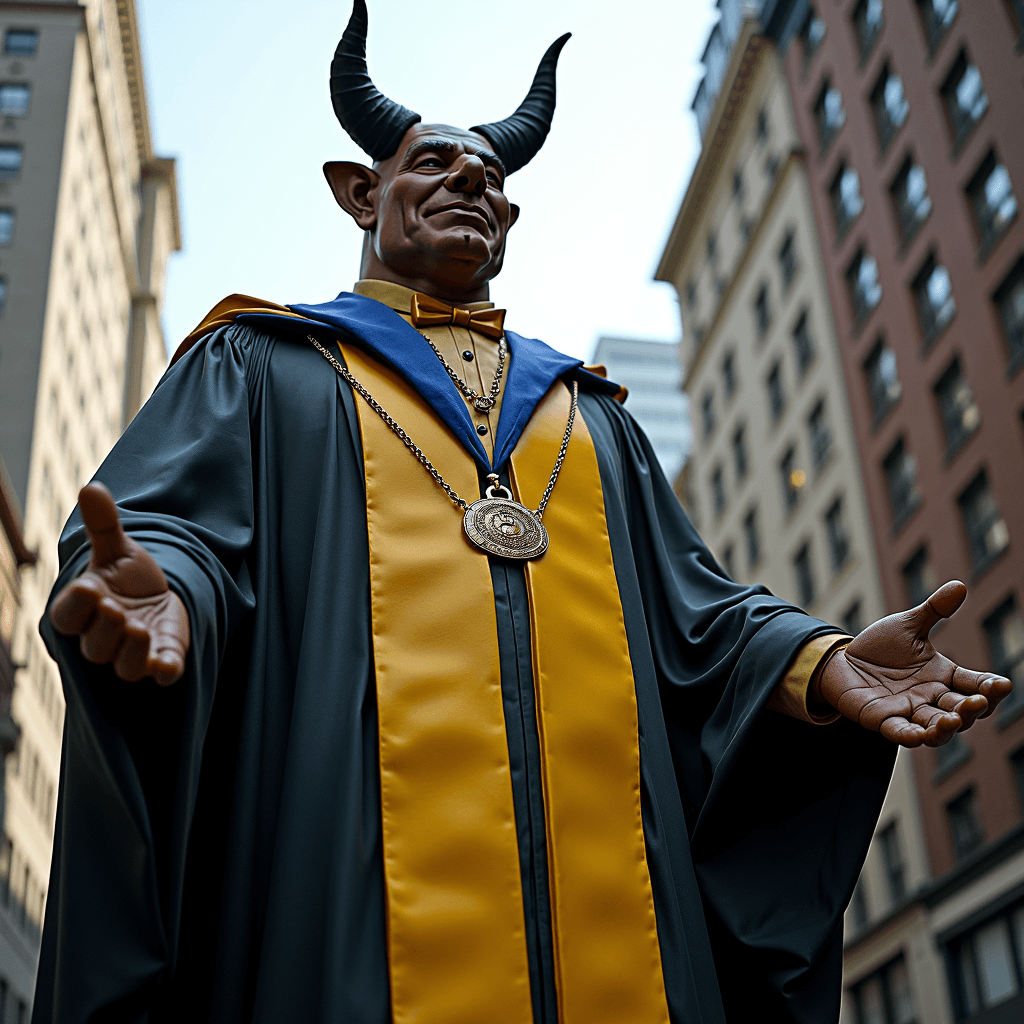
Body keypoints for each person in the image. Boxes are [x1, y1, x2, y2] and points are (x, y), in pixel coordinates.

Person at [34, 3, 1011, 1022]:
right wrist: (168, 592)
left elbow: (699, 620)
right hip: (349, 938)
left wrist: (816, 662)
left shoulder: (590, 420)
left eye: (490, 178)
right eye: (434, 166)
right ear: (359, 194)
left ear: (508, 222)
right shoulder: (264, 368)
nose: (470, 181)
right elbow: (165, 532)